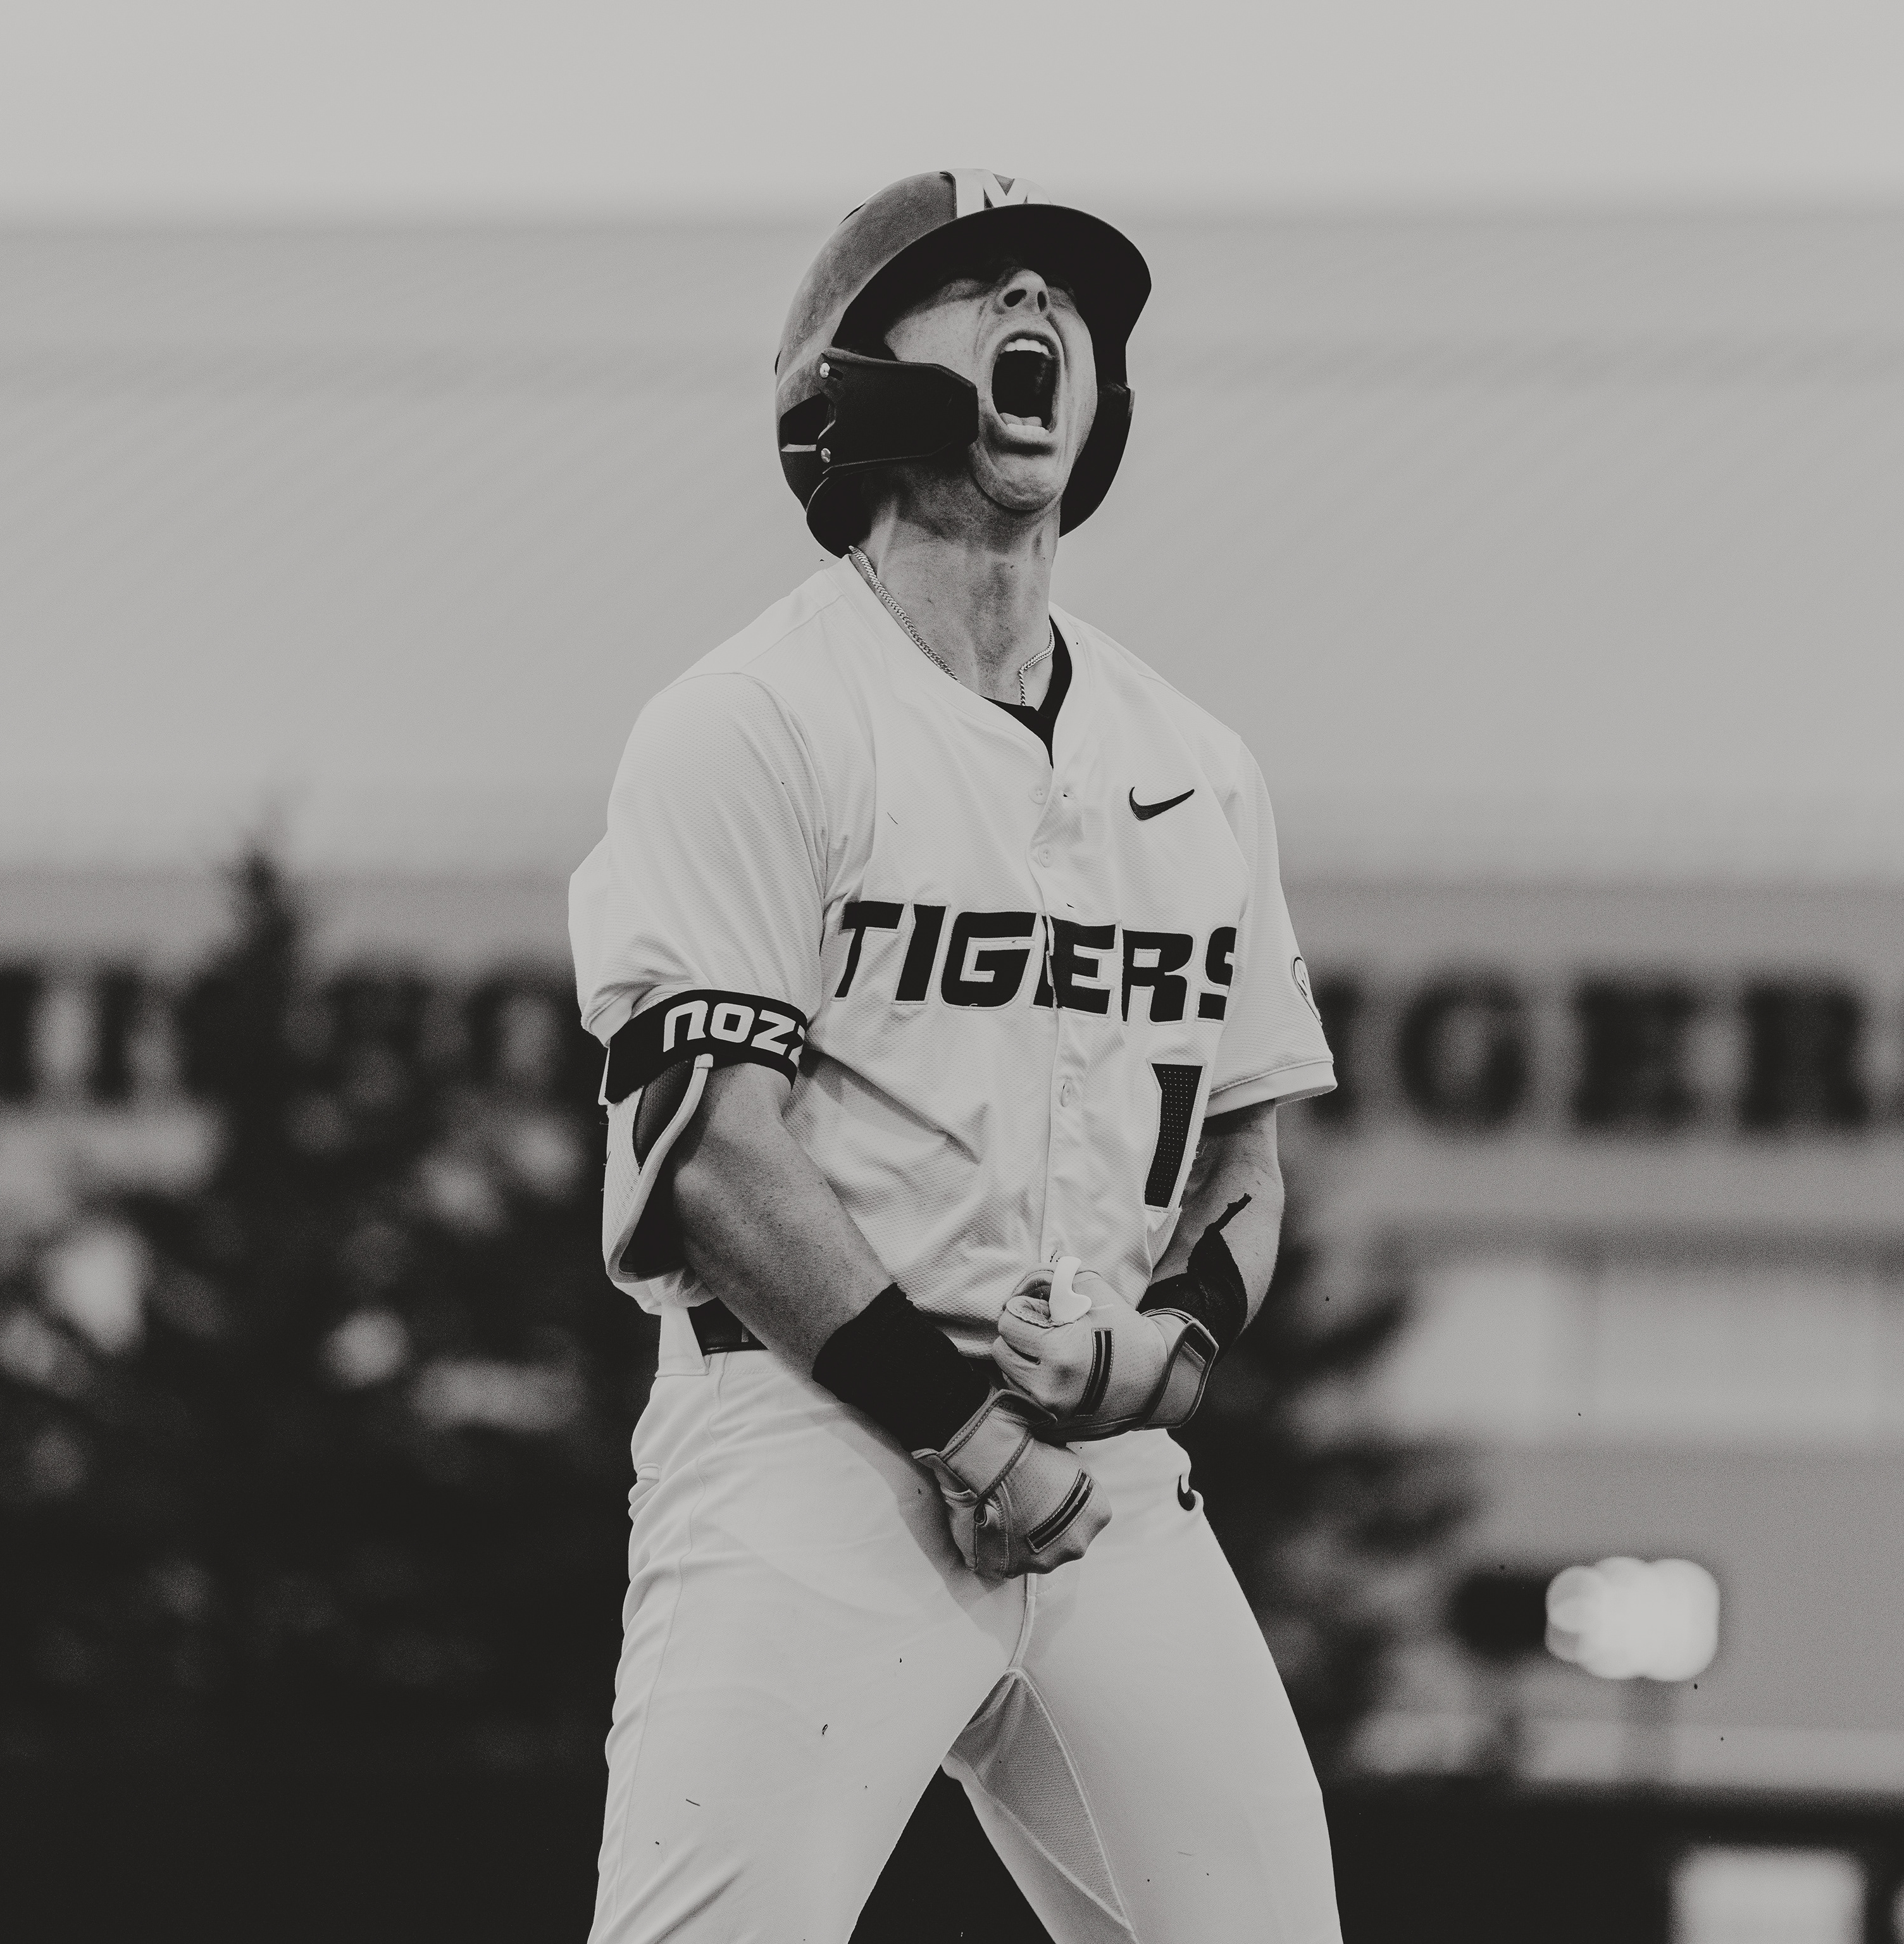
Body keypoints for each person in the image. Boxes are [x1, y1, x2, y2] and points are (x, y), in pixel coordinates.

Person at [568, 168, 1343, 1944]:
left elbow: (1248, 1157)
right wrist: (967, 1437)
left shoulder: (1196, 761)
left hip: (1103, 1485)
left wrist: (1183, 1346)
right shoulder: (748, 722)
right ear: (852, 379)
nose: (1040, 316)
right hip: (819, 1442)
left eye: (1067, 297)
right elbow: (717, 1158)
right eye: (980, 283)